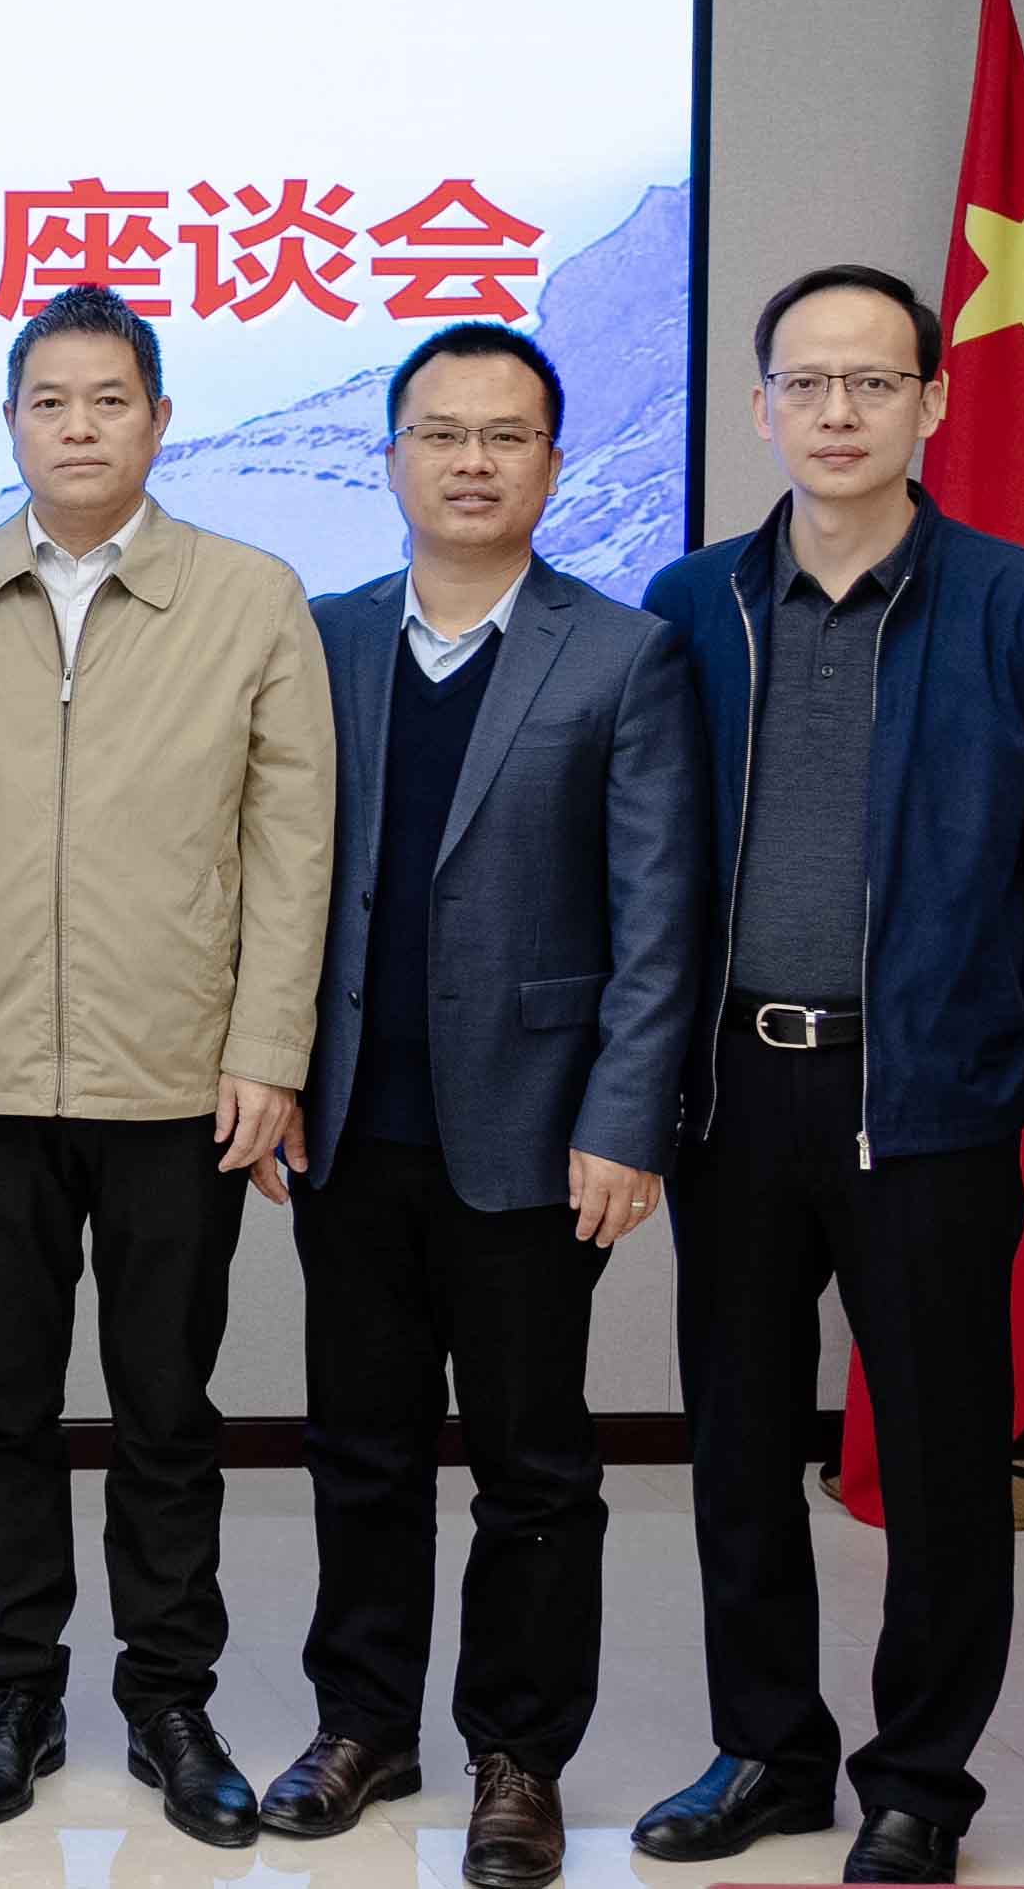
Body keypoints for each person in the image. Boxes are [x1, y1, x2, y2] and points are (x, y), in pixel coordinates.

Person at [631, 262, 1024, 1887]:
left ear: (933, 399)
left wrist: (950, 997)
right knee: (738, 1447)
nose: (837, 411)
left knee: (941, 1458)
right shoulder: (692, 603)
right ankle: (767, 1753)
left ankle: (920, 1781)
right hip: (731, 1092)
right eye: (806, 382)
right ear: (760, 404)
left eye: (872, 381)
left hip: (925, 1095)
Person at [261, 324, 706, 1889]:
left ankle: (521, 1754)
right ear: (390, 456)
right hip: (348, 1121)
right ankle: (363, 1722)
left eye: (504, 435)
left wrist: (628, 1116)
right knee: (360, 1448)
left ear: (552, 464)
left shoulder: (622, 651)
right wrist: (269, 1065)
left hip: (536, 1126)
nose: (470, 460)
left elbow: (661, 912)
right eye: (439, 432)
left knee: (535, 1467)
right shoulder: (320, 638)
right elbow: (269, 872)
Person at [0, 281, 331, 1850]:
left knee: (166, 1402)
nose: (78, 427)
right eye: (49, 402)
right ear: (11, 423)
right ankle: (15, 1691)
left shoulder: (251, 594)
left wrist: (267, 1049)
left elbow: (293, 843)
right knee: (1, 1398)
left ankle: (170, 1697)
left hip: (177, 1082)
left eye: (108, 400)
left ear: (159, 418)